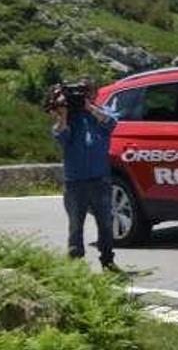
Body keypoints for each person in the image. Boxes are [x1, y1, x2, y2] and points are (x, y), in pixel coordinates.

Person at [49, 78, 120, 272]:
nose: (84, 95)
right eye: (81, 92)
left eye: (88, 91)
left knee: (105, 223)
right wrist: (62, 115)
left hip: (100, 179)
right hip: (75, 182)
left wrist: (89, 108)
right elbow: (61, 136)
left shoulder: (101, 113)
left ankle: (108, 261)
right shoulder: (69, 117)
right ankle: (75, 267)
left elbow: (112, 123)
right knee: (75, 225)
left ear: (95, 93)